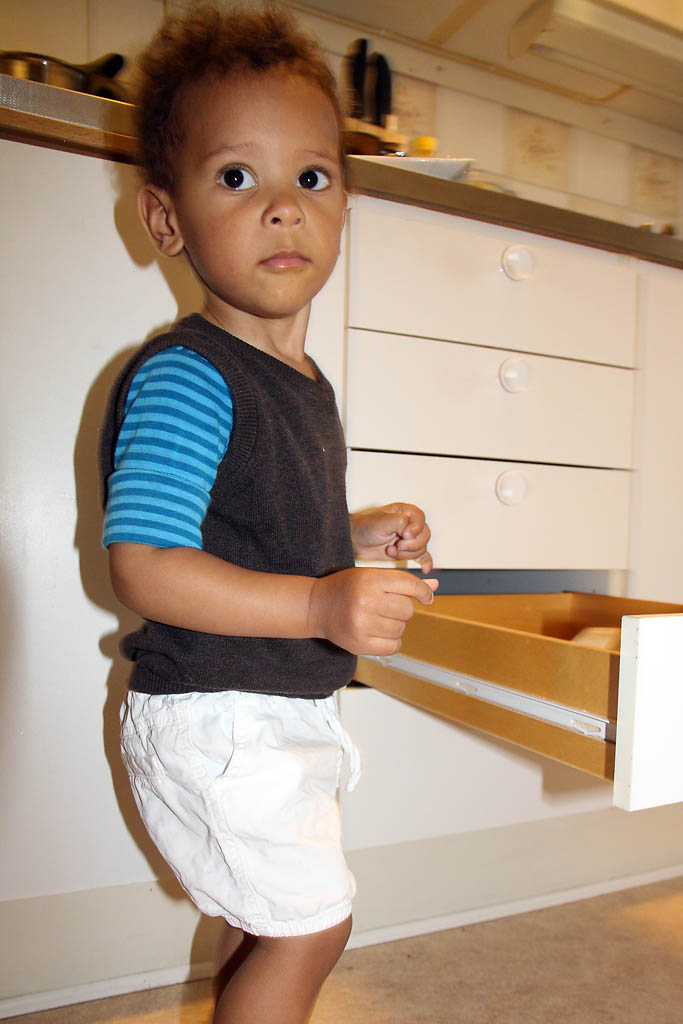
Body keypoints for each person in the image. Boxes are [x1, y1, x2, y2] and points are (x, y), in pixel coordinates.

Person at [99, 4, 438, 1022]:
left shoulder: (301, 381)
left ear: (345, 205)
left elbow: (251, 529)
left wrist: (351, 539)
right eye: (238, 177)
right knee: (308, 927)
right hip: (221, 713)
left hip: (262, 707)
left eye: (312, 178)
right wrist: (319, 606)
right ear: (167, 220)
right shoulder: (189, 376)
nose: (284, 208)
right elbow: (146, 563)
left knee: (263, 918)